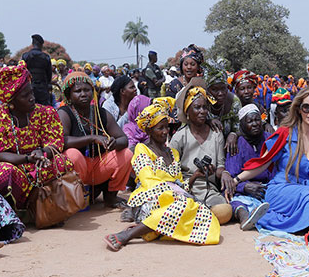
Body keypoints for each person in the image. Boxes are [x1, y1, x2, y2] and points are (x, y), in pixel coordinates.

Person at [230, 86, 309, 245]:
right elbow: (263, 163)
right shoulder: (285, 134)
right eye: (306, 107)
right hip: (281, 189)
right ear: (299, 109)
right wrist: (236, 179)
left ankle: (308, 222)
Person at [103, 98, 220, 251]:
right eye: (160, 128)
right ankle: (127, 235)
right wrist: (175, 193)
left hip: (174, 200)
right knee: (185, 206)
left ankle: (150, 228)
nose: (165, 132)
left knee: (205, 213)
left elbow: (180, 184)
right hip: (150, 198)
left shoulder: (173, 153)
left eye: (167, 128)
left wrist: (194, 176)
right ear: (149, 130)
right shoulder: (141, 149)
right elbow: (148, 181)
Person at [0, 62, 74, 209]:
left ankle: (43, 205)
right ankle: (14, 211)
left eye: (31, 92)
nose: (32, 98)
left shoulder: (46, 112)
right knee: (2, 172)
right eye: (25, 96)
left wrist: (43, 153)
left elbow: (55, 142)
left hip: (40, 163)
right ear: (11, 102)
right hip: (16, 166)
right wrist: (27, 158)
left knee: (63, 162)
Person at [58, 72, 133, 208]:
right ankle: (76, 197)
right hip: (78, 169)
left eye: (87, 90)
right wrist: (92, 138)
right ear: (69, 95)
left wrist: (113, 143)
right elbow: (62, 141)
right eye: (78, 91)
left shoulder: (101, 113)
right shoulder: (64, 112)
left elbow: (123, 139)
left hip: (98, 166)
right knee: (72, 155)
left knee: (126, 154)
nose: (83, 94)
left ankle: (110, 197)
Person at [171, 85, 233, 224]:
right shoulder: (179, 137)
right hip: (185, 189)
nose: (202, 112)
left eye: (205, 107)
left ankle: (200, 216)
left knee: (225, 210)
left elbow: (220, 166)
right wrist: (194, 176)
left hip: (208, 188)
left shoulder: (216, 133)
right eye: (197, 108)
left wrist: (224, 173)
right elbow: (172, 175)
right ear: (187, 112)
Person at [224, 104, 272, 230]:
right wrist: (244, 187)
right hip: (245, 190)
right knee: (237, 203)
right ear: (242, 125)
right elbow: (232, 176)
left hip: (267, 187)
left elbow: (276, 167)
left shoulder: (268, 139)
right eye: (250, 121)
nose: (255, 124)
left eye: (257, 120)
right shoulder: (236, 144)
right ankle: (245, 218)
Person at [205, 64, 241, 155]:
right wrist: (207, 121)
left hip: (229, 147)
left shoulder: (234, 102)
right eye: (214, 89)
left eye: (223, 88)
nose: (220, 93)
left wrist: (234, 134)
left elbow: (241, 127)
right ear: (207, 90)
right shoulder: (201, 102)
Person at [21, 34, 53, 106]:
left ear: (32, 44)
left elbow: (21, 72)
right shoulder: (46, 57)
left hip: (28, 88)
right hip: (43, 89)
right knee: (44, 110)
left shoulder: (25, 56)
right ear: (41, 44)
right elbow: (49, 75)